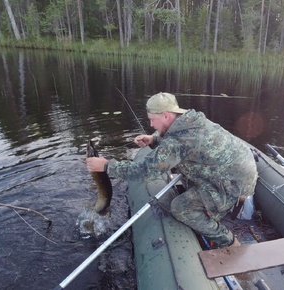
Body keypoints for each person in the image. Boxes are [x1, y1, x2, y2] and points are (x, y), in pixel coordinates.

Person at [86, 92, 257, 248]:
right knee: (186, 173)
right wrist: (153, 139)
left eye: (152, 119)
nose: (151, 124)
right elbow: (179, 143)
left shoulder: (179, 140)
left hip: (231, 184)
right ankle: (218, 207)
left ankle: (228, 240)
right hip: (238, 172)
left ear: (166, 115)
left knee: (180, 208)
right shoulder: (191, 120)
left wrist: (107, 166)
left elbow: (144, 171)